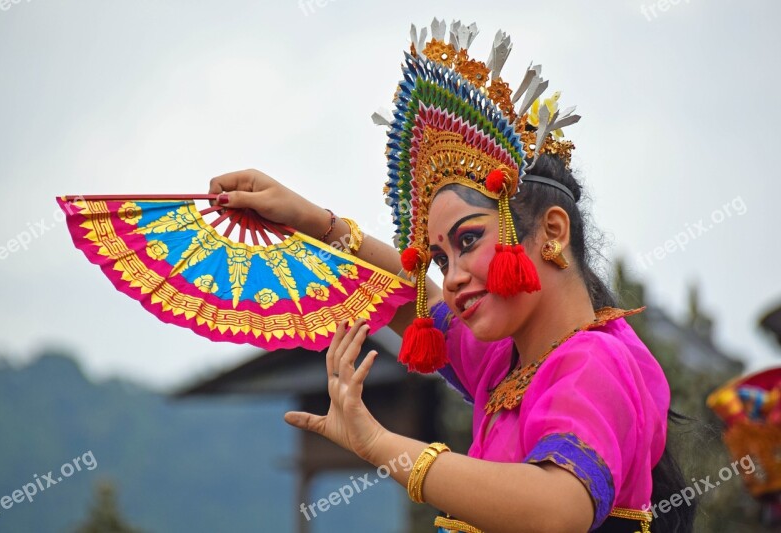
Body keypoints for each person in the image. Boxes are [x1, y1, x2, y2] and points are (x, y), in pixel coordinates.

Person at [208, 20, 694, 533]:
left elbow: (558, 509)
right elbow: (399, 294)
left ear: (551, 231)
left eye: (467, 242)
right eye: (440, 259)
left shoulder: (592, 360)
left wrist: (381, 445)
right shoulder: (505, 367)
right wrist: (311, 222)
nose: (453, 277)